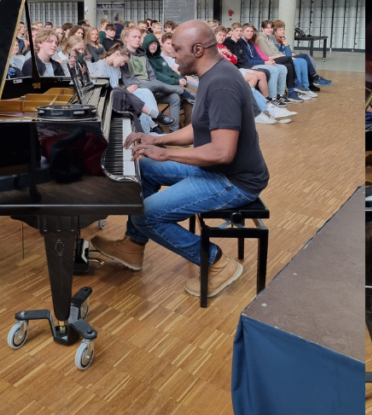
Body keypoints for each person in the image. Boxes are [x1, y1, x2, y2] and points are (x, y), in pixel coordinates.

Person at [92, 21, 266, 299]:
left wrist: (168, 153)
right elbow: (199, 128)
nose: (172, 55)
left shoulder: (221, 83)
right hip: (218, 170)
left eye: (177, 49)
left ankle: (217, 263)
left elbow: (222, 152)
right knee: (144, 167)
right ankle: (133, 246)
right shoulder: (212, 72)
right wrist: (157, 140)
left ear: (198, 49)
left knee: (146, 213)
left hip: (233, 180)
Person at [122, 26, 189, 124]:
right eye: (134, 37)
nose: (137, 39)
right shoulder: (123, 54)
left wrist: (151, 85)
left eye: (139, 37)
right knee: (156, 84)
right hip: (137, 88)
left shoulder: (143, 54)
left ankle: (173, 131)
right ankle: (182, 91)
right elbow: (127, 79)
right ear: (126, 38)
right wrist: (147, 85)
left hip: (151, 87)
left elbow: (151, 75)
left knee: (174, 97)